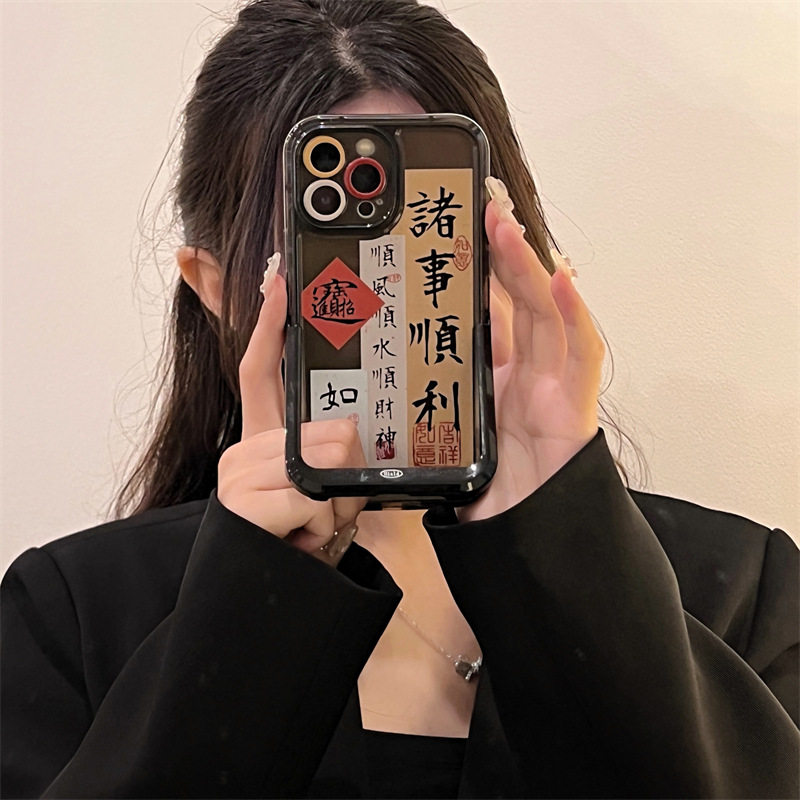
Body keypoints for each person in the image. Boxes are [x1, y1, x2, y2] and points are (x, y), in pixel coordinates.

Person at [2, 0, 797, 797]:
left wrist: (564, 540)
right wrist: (254, 605)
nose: (394, 299)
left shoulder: (741, 591)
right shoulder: (72, 616)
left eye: (431, 239)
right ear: (213, 288)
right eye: (330, 247)